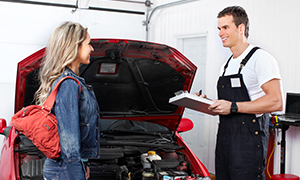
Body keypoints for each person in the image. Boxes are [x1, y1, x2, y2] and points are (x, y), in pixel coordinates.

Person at [195, 6, 283, 180]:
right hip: (225, 140)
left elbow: (276, 101)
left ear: (241, 28)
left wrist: (233, 107)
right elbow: (227, 106)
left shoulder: (261, 58)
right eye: (219, 29)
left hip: (249, 142)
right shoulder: (226, 65)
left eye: (225, 27)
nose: (220, 33)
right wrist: (208, 103)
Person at [35, 21, 100, 180]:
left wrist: (83, 164)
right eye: (88, 44)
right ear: (74, 47)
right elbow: (69, 141)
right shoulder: (69, 84)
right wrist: (76, 172)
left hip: (67, 167)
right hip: (64, 169)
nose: (92, 48)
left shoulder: (71, 82)